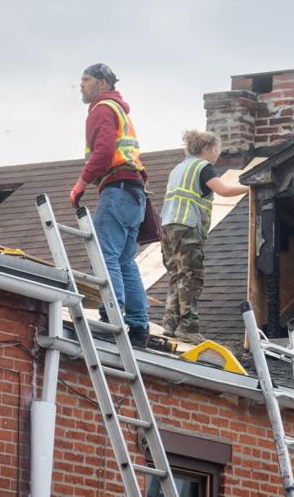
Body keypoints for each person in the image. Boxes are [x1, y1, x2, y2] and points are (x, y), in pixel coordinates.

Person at [70, 63, 149, 347]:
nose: (80, 84)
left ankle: (111, 319)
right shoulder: (119, 109)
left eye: (86, 79)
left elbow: (103, 154)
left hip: (117, 189)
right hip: (134, 193)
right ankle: (139, 327)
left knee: (106, 257)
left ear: (102, 83)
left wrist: (80, 184)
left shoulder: (102, 108)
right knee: (126, 261)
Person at [160, 130, 249, 344]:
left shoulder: (178, 168)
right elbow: (224, 191)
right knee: (191, 277)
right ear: (207, 148)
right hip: (187, 228)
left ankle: (170, 325)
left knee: (176, 276)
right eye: (216, 149)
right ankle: (188, 328)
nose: (218, 154)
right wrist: (252, 187)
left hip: (167, 228)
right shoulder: (203, 167)